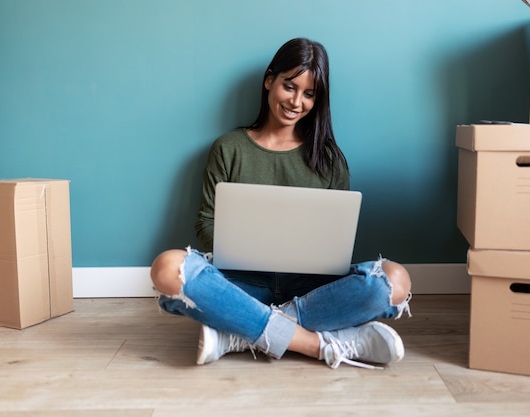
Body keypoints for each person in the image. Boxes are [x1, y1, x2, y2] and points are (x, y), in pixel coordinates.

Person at [150, 38, 412, 369]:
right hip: (241, 284)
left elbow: (338, 239)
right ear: (269, 80)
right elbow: (206, 222)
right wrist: (243, 247)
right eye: (289, 86)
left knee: (395, 280)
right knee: (167, 268)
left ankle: (240, 332)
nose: (296, 101)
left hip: (313, 290)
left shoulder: (329, 158)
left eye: (309, 93)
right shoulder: (229, 148)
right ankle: (317, 344)